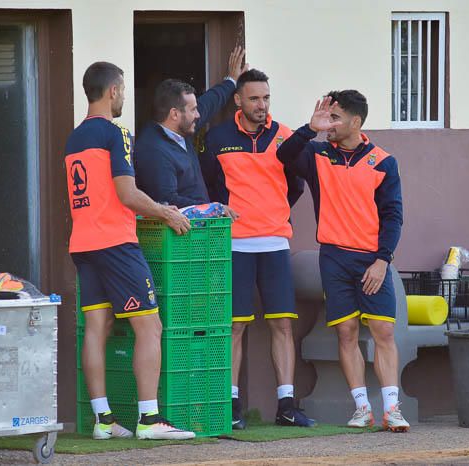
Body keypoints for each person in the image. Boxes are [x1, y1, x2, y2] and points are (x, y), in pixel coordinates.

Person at [65, 61, 194, 440]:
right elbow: (127, 194)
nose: (124, 96)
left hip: (84, 242)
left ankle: (103, 420)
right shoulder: (116, 132)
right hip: (115, 242)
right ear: (113, 91)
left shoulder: (74, 136)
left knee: (96, 328)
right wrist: (164, 211)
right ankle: (150, 421)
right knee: (150, 325)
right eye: (123, 89)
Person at [277, 91, 409, 432]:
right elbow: (284, 154)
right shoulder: (317, 153)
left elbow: (393, 216)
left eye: (336, 118)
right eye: (328, 118)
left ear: (356, 121)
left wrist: (382, 261)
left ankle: (392, 409)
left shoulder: (383, 161)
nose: (330, 124)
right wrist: (310, 128)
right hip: (333, 257)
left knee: (383, 330)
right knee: (346, 332)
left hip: (371, 260)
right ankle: (362, 408)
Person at [200, 69, 310, 428]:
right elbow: (209, 188)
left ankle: (287, 405)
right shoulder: (216, 138)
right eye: (254, 99)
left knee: (282, 324)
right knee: (234, 326)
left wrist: (273, 209)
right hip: (234, 244)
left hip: (276, 242)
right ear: (238, 100)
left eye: (266, 98)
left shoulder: (285, 136)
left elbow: (296, 186)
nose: (261, 105)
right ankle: (231, 406)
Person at [134, 46, 247, 213]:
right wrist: (212, 209)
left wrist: (231, 81)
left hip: (197, 231)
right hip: (178, 237)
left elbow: (208, 103)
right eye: (193, 109)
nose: (198, 114)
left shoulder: (180, 128)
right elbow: (167, 200)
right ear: (174, 114)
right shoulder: (153, 150)